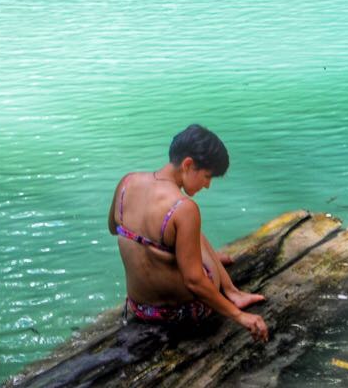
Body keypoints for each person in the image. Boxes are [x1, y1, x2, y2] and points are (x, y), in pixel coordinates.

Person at [107, 124, 269, 342]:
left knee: (181, 234)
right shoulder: (183, 207)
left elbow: (113, 228)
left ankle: (224, 280)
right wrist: (239, 316)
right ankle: (232, 293)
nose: (208, 185)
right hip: (182, 313)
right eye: (207, 176)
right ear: (188, 164)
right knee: (190, 232)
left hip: (139, 308)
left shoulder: (127, 182)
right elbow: (194, 281)